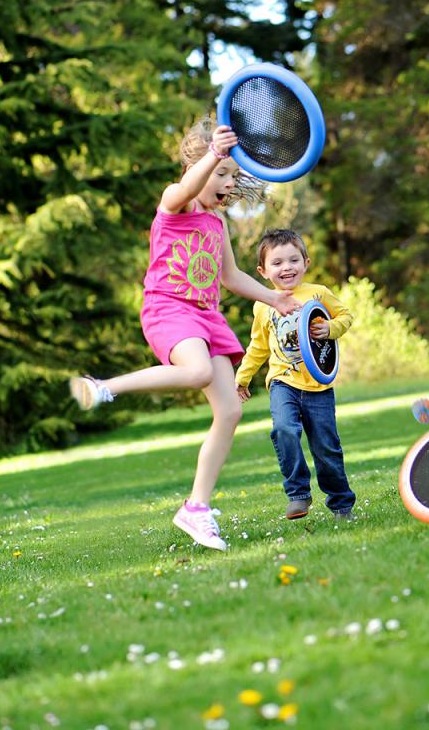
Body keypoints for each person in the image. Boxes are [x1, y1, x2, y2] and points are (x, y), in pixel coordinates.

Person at [69, 118, 301, 551]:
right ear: (197, 165)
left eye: (233, 176)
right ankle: (103, 388)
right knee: (196, 372)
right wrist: (214, 153)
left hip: (206, 316)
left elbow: (230, 276)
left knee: (229, 411)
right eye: (221, 173)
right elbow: (183, 189)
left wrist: (276, 298)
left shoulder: (217, 222)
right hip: (168, 308)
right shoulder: (174, 204)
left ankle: (196, 508)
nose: (229, 183)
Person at [235, 229, 357, 522]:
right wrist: (242, 377)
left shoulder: (318, 293)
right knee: (284, 430)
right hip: (282, 382)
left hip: (318, 384)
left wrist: (330, 329)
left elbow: (345, 316)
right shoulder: (263, 303)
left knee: (326, 446)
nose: (286, 267)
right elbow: (258, 346)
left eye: (293, 260)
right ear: (263, 271)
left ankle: (341, 504)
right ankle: (298, 493)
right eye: (277, 263)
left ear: (306, 262)